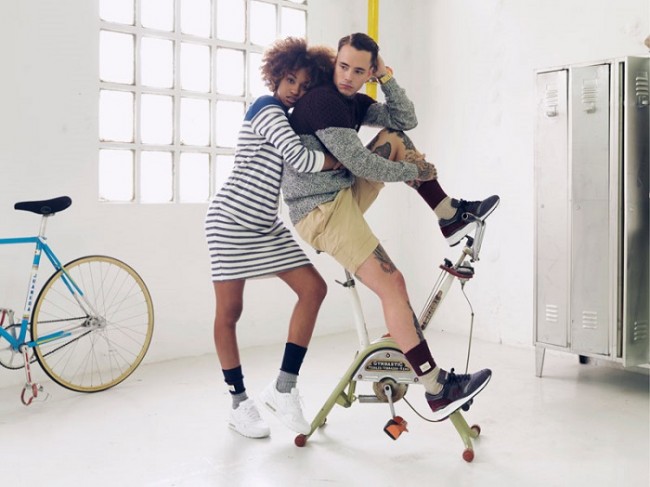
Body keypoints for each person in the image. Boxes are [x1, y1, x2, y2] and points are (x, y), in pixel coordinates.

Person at [282, 33, 499, 421]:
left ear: (369, 72)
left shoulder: (354, 101)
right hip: (319, 210)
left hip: (340, 193)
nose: (347, 77)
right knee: (393, 283)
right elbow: (362, 164)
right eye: (342, 66)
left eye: (359, 71)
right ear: (334, 63)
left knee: (396, 138)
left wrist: (387, 78)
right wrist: (414, 171)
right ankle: (436, 388)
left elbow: (406, 120)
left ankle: (449, 215)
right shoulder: (323, 101)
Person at [204, 38, 338, 439]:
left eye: (304, 85)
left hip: (265, 226)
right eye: (290, 79)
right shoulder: (266, 108)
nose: (295, 89)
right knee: (230, 312)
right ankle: (239, 404)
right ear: (276, 75)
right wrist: (340, 160)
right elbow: (299, 159)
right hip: (230, 221)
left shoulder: (290, 117)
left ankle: (283, 387)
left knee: (313, 289)